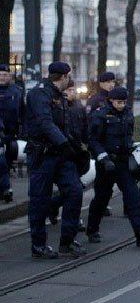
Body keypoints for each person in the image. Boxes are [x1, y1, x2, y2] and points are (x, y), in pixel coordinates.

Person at [25, 62, 86, 258]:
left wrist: (76, 148)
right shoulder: (39, 94)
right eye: (69, 76)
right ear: (64, 76)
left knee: (75, 191)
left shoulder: (60, 96)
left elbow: (64, 126)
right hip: (42, 155)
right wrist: (63, 144)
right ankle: (39, 245)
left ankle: (67, 241)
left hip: (61, 154)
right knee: (39, 201)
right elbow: (45, 123)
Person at [86, 87, 140, 247]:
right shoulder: (100, 115)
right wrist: (103, 158)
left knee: (134, 197)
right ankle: (92, 229)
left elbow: (129, 137)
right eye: (119, 102)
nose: (122, 105)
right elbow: (93, 140)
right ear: (111, 101)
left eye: (124, 102)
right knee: (102, 198)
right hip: (106, 164)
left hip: (123, 163)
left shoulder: (127, 113)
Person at [48, 80, 89, 230]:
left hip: (76, 152)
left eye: (73, 90)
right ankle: (71, 218)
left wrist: (86, 144)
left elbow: (85, 128)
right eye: (68, 90)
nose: (71, 93)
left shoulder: (79, 107)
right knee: (72, 188)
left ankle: (55, 206)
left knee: (74, 188)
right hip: (63, 151)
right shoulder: (58, 107)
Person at [86, 71, 116, 217]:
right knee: (101, 178)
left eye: (113, 82)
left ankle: (103, 202)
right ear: (101, 83)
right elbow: (89, 123)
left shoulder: (114, 99)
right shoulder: (96, 100)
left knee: (108, 179)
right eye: (108, 82)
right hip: (98, 144)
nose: (111, 85)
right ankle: (99, 204)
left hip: (112, 144)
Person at [0, 64, 24, 203]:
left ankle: (4, 189)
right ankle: (5, 189)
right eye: (1, 75)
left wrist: (22, 130)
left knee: (7, 161)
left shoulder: (16, 91)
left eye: (5, 75)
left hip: (11, 133)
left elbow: (22, 111)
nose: (3, 77)